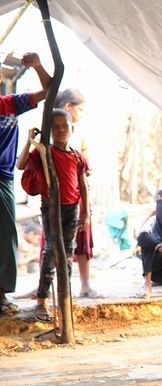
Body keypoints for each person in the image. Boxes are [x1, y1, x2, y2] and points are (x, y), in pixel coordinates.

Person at [17, 109, 89, 323]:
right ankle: (42, 299)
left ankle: (64, 299)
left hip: (72, 207)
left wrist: (86, 212)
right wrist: (30, 142)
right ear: (49, 130)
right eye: (55, 127)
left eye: (64, 126)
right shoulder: (43, 152)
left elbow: (83, 185)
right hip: (51, 206)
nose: (60, 130)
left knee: (67, 252)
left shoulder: (77, 156)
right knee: (50, 251)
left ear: (72, 128)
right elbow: (20, 165)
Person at [0, 52, 51, 316]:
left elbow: (50, 89)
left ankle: (1, 295)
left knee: (6, 236)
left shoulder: (11, 104)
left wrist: (38, 66)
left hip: (3, 179)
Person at [53, 88, 102, 298]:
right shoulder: (51, 131)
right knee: (53, 240)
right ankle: (47, 289)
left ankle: (84, 284)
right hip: (56, 196)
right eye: (80, 110)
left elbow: (86, 168)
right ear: (68, 107)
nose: (82, 115)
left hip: (77, 194)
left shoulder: (78, 134)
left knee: (81, 237)